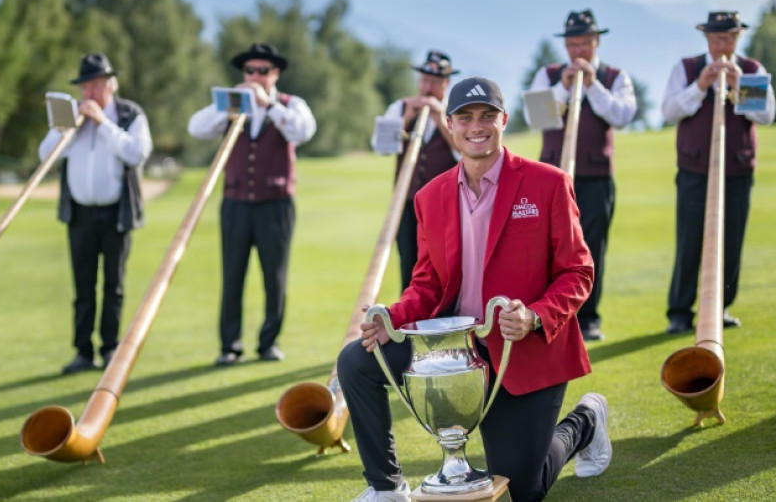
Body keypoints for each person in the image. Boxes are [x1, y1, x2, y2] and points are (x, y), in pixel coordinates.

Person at [338, 77, 612, 502]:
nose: (476, 126)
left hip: (524, 348)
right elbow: (428, 284)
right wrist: (393, 316)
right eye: (464, 117)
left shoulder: (548, 183)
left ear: (503, 120)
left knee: (523, 490)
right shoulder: (430, 196)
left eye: (486, 116)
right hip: (452, 350)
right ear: (450, 126)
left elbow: (578, 271)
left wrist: (534, 315)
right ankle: (386, 487)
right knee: (357, 359)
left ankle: (586, 421)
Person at [188, 42, 316, 364]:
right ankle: (229, 345)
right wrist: (228, 103)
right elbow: (196, 128)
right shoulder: (231, 106)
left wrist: (269, 104)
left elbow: (303, 131)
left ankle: (268, 343)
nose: (255, 77)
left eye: (263, 71)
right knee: (232, 275)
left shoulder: (290, 104)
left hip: (276, 203)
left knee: (275, 276)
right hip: (236, 202)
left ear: (275, 74)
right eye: (250, 71)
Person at [661, 11, 776, 334]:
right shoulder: (687, 68)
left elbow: (766, 115)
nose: (721, 46)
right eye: (715, 40)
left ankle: (720, 308)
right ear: (706, 39)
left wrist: (739, 84)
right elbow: (669, 111)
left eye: (728, 39)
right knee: (689, 240)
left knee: (732, 239)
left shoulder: (751, 69)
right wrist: (701, 86)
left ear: (738, 38)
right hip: (694, 169)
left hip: (737, 169)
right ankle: (680, 312)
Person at [38, 53, 153, 375]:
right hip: (81, 214)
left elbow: (136, 153)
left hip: (116, 213)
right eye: (85, 87)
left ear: (110, 85)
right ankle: (83, 351)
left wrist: (103, 123)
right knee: (83, 286)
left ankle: (110, 348)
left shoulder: (130, 114)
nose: (89, 94)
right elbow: (45, 155)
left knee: (113, 285)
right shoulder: (70, 118)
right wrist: (67, 128)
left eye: (95, 86)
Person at [527, 9, 636, 342]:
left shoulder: (615, 77)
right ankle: (548, 312)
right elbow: (536, 118)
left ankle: (587, 318)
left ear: (596, 41)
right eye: (572, 44)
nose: (578, 51)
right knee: (544, 245)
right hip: (550, 175)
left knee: (591, 247)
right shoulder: (548, 75)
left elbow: (623, 115)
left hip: (595, 176)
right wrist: (562, 88)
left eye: (585, 43)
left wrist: (592, 86)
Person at [371, 50, 460, 291]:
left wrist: (441, 119)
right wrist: (407, 118)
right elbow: (381, 147)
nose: (428, 87)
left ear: (446, 83)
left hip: (445, 204)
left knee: (443, 266)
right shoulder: (399, 107)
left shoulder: (455, 111)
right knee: (409, 264)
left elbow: (462, 152)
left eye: (434, 82)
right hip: (407, 202)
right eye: (424, 80)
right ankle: (408, 323)